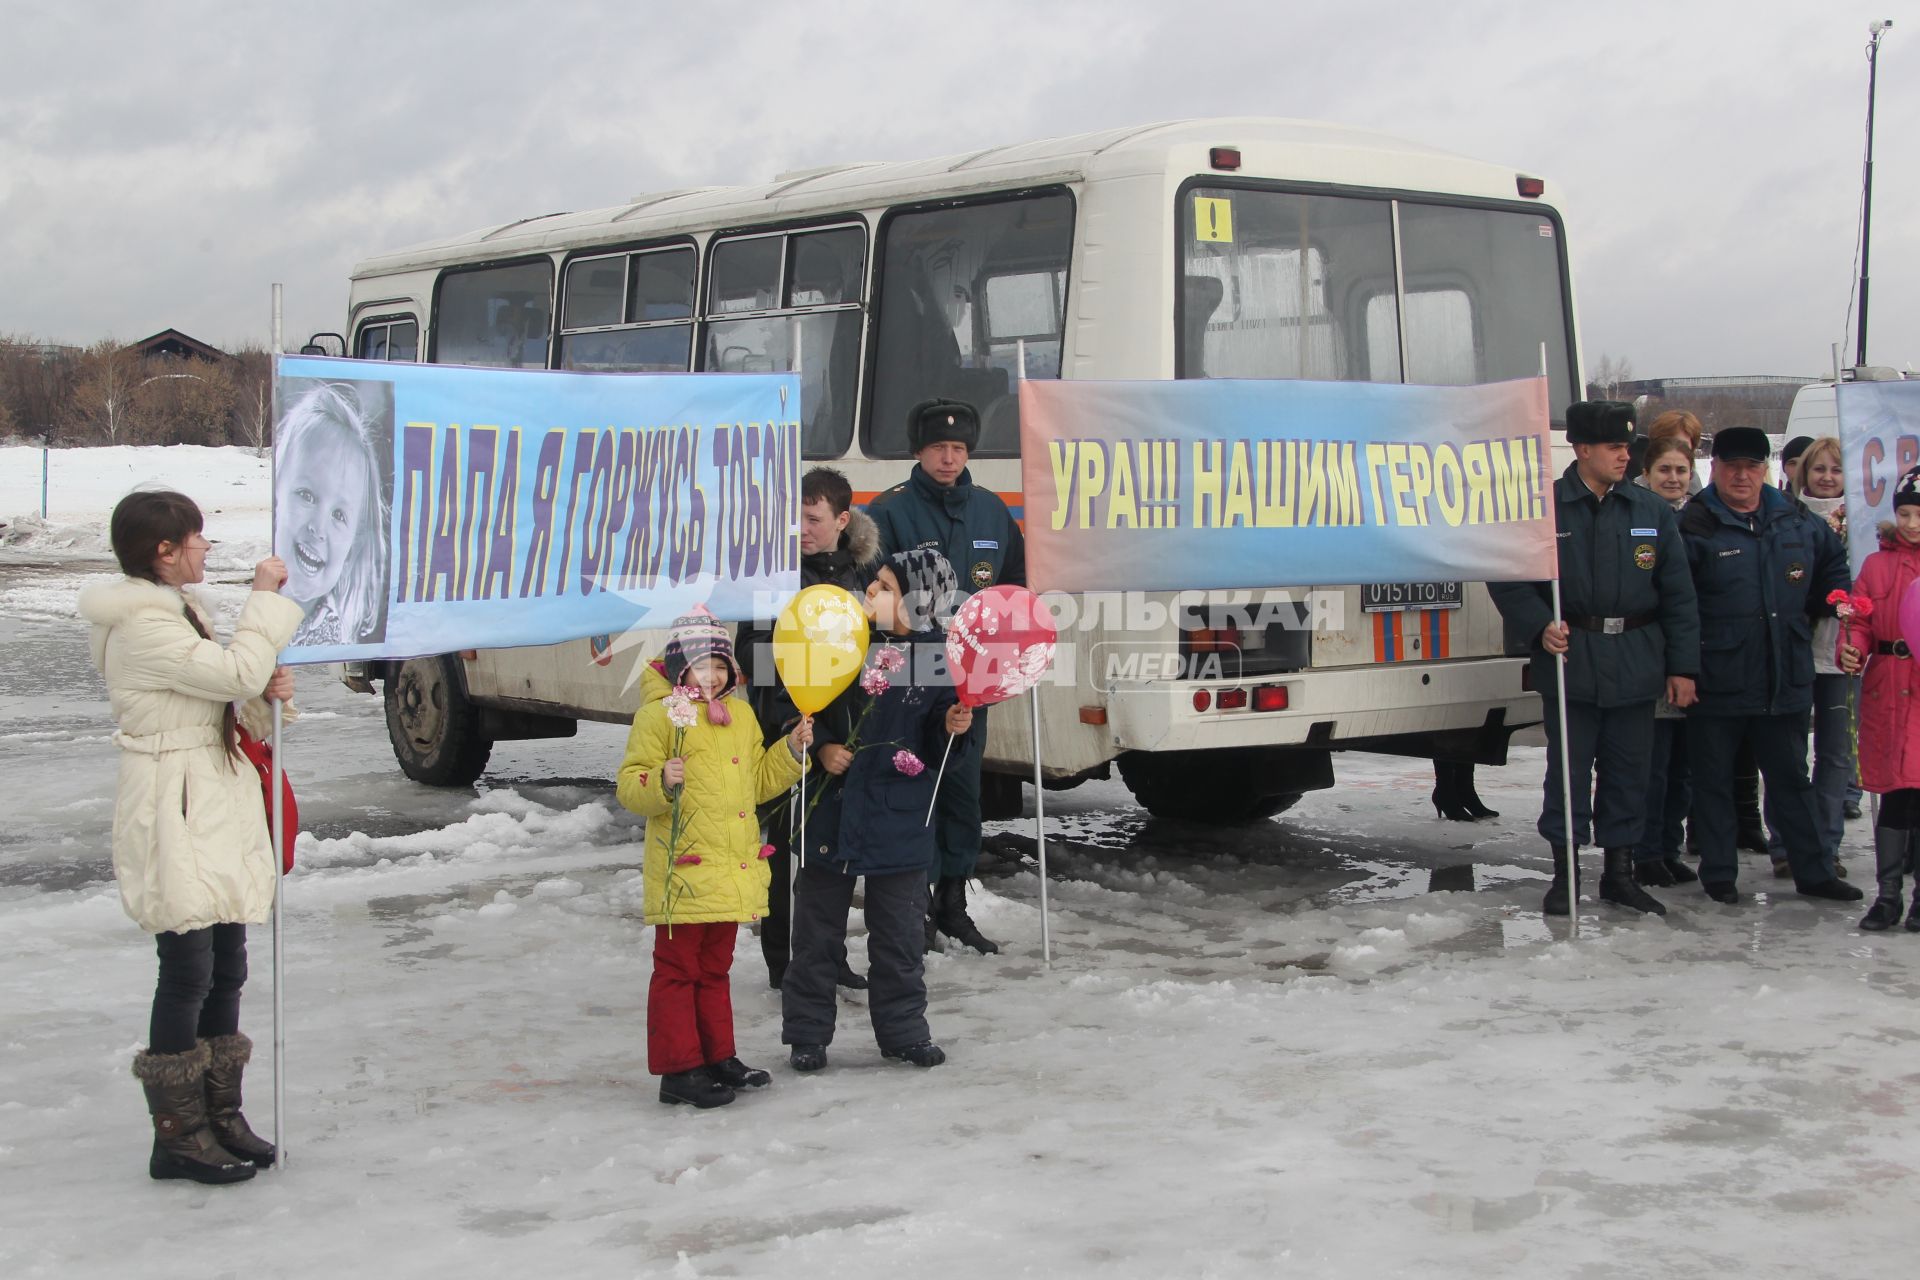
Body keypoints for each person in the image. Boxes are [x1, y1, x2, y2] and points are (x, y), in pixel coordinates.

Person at [78, 489, 303, 1184]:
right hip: (174, 803)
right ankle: (177, 1134)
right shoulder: (145, 625)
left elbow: (230, 693)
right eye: (195, 538)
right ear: (162, 551)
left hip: (212, 793)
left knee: (227, 963)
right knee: (188, 968)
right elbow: (232, 672)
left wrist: (269, 694)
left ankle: (220, 1116)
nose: (207, 548)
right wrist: (264, 604)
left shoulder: (184, 612)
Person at [1491, 400, 1700, 917]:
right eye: (1614, 447)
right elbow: (1509, 577)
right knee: (1568, 772)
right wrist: (1539, 625)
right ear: (1583, 449)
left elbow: (1678, 594)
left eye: (1628, 446)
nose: (1625, 456)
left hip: (1635, 657)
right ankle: (1565, 876)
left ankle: (1620, 874)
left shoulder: (1648, 510)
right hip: (1572, 660)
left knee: (1630, 773)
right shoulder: (1546, 508)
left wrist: (1682, 667)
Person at [783, 549, 973, 1072]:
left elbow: (946, 756)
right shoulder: (843, 640)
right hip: (833, 813)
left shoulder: (939, 659)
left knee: (900, 937)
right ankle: (807, 1034)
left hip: (901, 817)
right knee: (816, 935)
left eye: (884, 588)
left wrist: (953, 730)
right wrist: (821, 747)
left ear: (917, 604)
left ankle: (904, 1031)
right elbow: (799, 702)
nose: (870, 594)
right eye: (872, 585)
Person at [616, 607, 811, 1108]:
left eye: (720, 665)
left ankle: (718, 1055)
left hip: (729, 866)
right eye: (702, 666)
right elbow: (629, 787)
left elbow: (759, 782)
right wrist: (659, 780)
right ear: (680, 666)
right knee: (678, 969)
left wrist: (790, 750)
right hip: (684, 868)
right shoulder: (658, 716)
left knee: (715, 966)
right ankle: (680, 1069)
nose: (713, 676)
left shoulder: (740, 715)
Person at [867, 398, 1025, 954]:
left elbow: (1014, 586)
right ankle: (914, 909)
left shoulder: (991, 510)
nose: (949, 457)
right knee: (917, 791)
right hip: (911, 680)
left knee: (962, 792)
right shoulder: (889, 512)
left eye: (958, 449)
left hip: (970, 678)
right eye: (939, 448)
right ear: (919, 451)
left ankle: (953, 904)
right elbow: (872, 597)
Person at [1679, 426, 1861, 905]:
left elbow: (1833, 576)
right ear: (1713, 468)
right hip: (1716, 678)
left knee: (1791, 781)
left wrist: (1835, 603)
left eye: (1753, 466)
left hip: (1784, 675)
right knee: (1714, 782)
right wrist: (1681, 669)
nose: (1742, 476)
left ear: (1769, 469)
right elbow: (1676, 604)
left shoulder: (1797, 520)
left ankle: (1815, 871)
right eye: (1732, 466)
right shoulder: (1694, 526)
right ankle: (1720, 875)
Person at [740, 466, 881, 991]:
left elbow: (876, 660)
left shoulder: (861, 578)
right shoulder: (771, 577)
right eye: (795, 516)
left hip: (848, 739)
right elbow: (750, 657)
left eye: (813, 518)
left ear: (843, 520)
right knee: (782, 853)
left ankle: (829, 953)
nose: (802, 527)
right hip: (786, 738)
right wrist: (808, 731)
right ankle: (783, 961)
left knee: (834, 855)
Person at [1839, 466, 1920, 929]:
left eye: (1919, 515)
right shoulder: (1876, 563)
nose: (1911, 523)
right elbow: (1862, 618)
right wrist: (1851, 648)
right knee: (1894, 794)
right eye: (1905, 513)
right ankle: (1888, 896)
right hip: (1888, 686)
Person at [1630, 435, 1701, 887]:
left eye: (1681, 471)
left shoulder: (1700, 519)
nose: (1673, 479)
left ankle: (1669, 846)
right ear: (1648, 474)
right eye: (1664, 471)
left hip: (1691, 656)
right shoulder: (1636, 515)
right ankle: (1645, 850)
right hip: (1651, 657)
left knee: (1683, 765)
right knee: (1651, 765)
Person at [273, 380, 391, 648]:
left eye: (339, 515)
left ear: (354, 544)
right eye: (307, 495)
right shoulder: (259, 600)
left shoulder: (334, 638)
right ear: (277, 488)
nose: (318, 527)